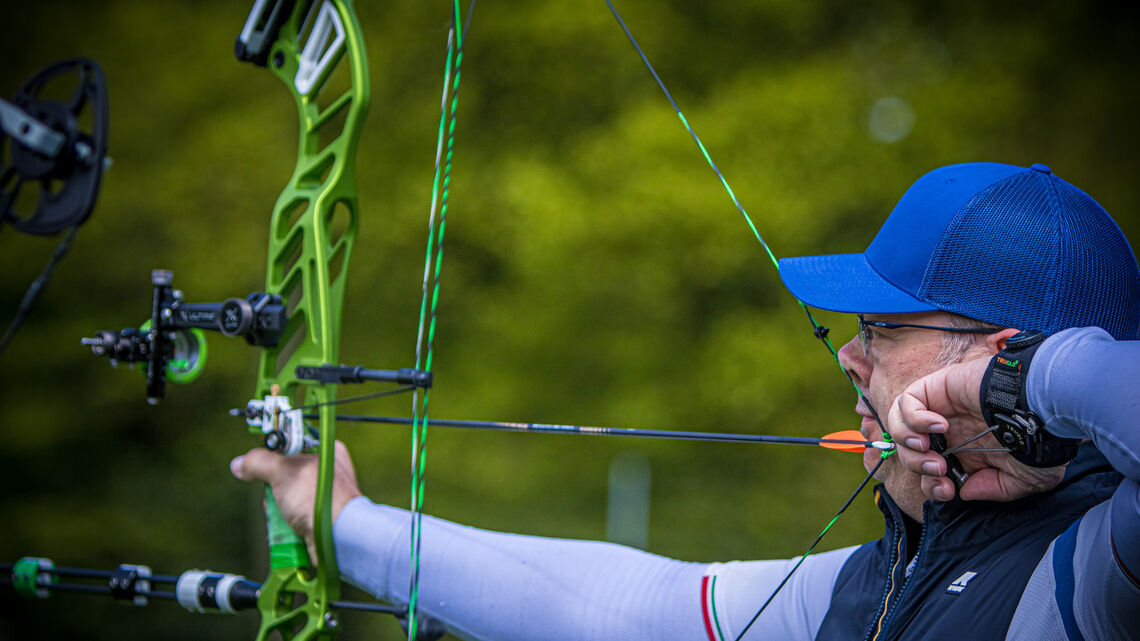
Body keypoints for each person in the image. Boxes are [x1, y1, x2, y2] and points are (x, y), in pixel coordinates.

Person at [232, 162, 1140, 640]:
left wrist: (1031, 384)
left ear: (998, 354)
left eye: (885, 327)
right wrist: (346, 522)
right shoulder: (875, 581)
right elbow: (622, 606)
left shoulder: (1097, 578)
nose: (852, 356)